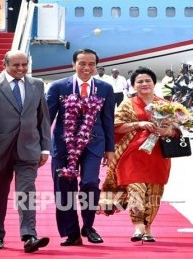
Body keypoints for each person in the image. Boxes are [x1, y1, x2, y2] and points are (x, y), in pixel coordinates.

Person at [0, 50, 51, 253]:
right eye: (16, 65)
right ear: (4, 64)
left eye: (24, 65)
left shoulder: (36, 84)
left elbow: (43, 118)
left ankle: (29, 235)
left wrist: (45, 148)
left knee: (27, 191)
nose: (21, 69)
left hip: (29, 148)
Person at [100, 67, 178, 242]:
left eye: (147, 80)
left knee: (154, 193)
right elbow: (115, 125)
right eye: (140, 82)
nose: (144, 84)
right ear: (133, 85)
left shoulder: (165, 105)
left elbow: (177, 130)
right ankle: (138, 227)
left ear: (154, 83)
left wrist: (166, 130)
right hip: (133, 155)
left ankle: (148, 228)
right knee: (136, 190)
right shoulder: (127, 104)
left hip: (158, 156)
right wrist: (139, 124)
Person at [46, 48, 115, 246]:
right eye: (82, 63)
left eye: (91, 64)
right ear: (73, 64)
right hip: (63, 145)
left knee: (90, 183)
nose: (87, 67)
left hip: (94, 145)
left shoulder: (105, 88)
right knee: (64, 190)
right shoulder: (58, 87)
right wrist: (42, 146)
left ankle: (88, 225)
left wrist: (110, 149)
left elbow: (108, 120)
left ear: (96, 66)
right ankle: (72, 233)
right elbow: (47, 119)